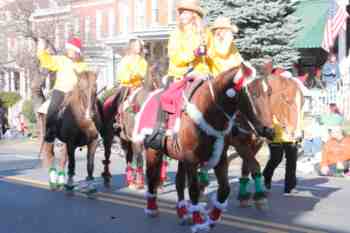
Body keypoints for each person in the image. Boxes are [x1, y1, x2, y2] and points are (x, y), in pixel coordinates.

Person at [37, 37, 88, 186]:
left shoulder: (82, 65)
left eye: (73, 50)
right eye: (69, 49)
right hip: (60, 92)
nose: (70, 52)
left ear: (78, 52)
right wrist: (41, 51)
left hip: (75, 94)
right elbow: (47, 61)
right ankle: (50, 134)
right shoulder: (61, 60)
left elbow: (85, 82)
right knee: (52, 111)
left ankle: (86, 137)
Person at [115, 37, 148, 188]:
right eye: (135, 46)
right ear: (130, 47)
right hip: (126, 86)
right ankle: (116, 121)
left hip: (140, 87)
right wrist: (130, 76)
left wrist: (140, 77)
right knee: (115, 101)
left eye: (139, 46)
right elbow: (121, 74)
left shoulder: (142, 61)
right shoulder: (125, 60)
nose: (138, 48)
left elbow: (144, 73)